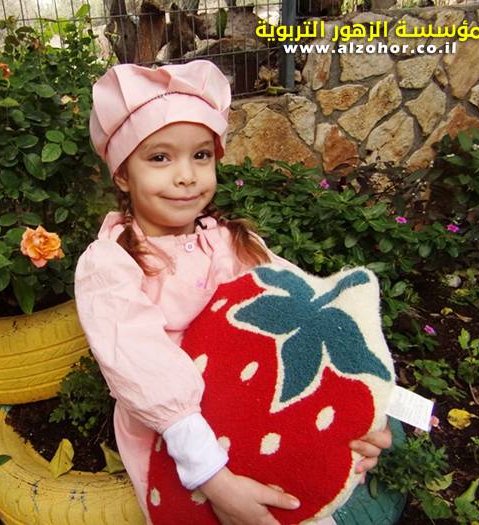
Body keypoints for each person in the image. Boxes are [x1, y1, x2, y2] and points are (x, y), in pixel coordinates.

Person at [74, 60, 392, 525]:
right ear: (122, 174)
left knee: (294, 507)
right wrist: (212, 476)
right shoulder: (111, 266)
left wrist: (363, 414)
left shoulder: (230, 244)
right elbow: (140, 363)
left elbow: (303, 310)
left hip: (262, 419)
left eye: (201, 155)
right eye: (160, 158)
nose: (186, 175)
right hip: (183, 447)